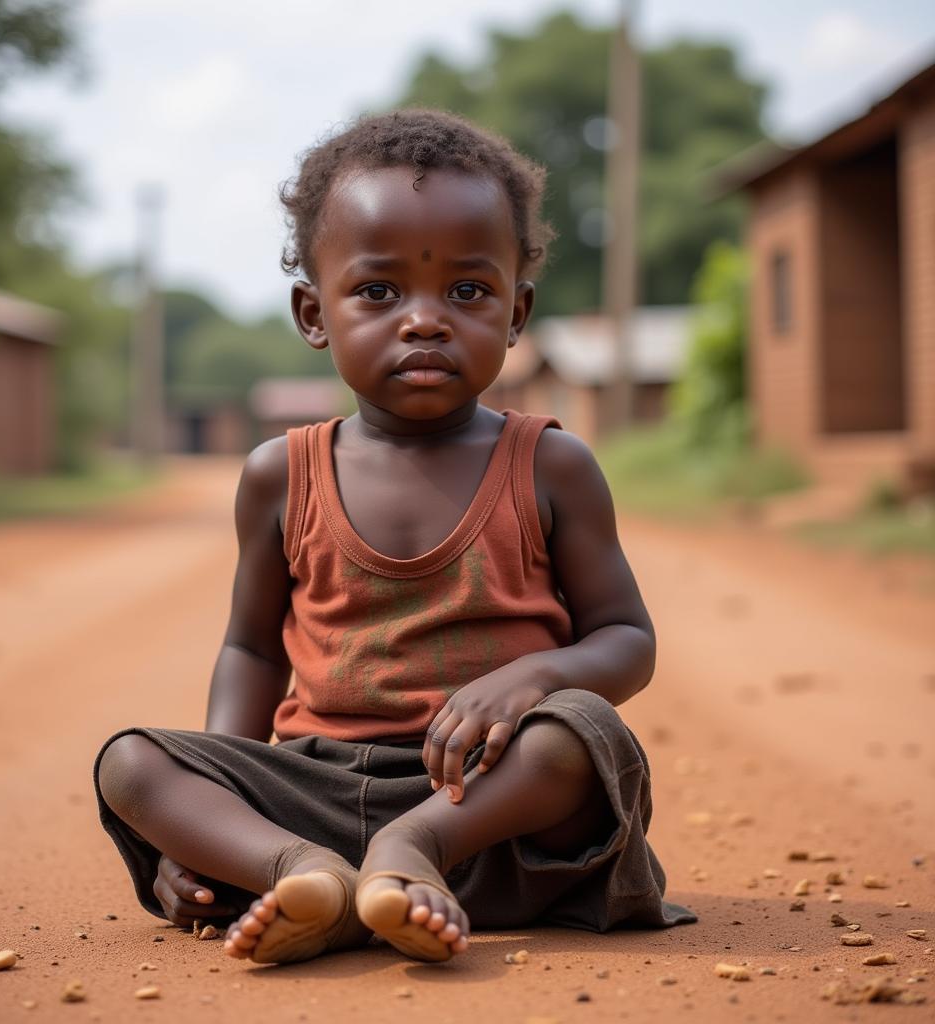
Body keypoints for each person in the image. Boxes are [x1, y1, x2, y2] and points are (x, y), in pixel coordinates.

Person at [94, 109, 695, 966]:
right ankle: (304, 874)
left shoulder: (551, 465)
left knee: (583, 733)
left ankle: (408, 855)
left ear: (516, 312)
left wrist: (532, 678)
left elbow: (627, 641)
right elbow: (251, 650)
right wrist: (223, 803)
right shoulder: (279, 473)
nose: (424, 320)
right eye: (378, 292)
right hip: (318, 788)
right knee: (131, 765)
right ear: (314, 312)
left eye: (467, 291)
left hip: (486, 809)